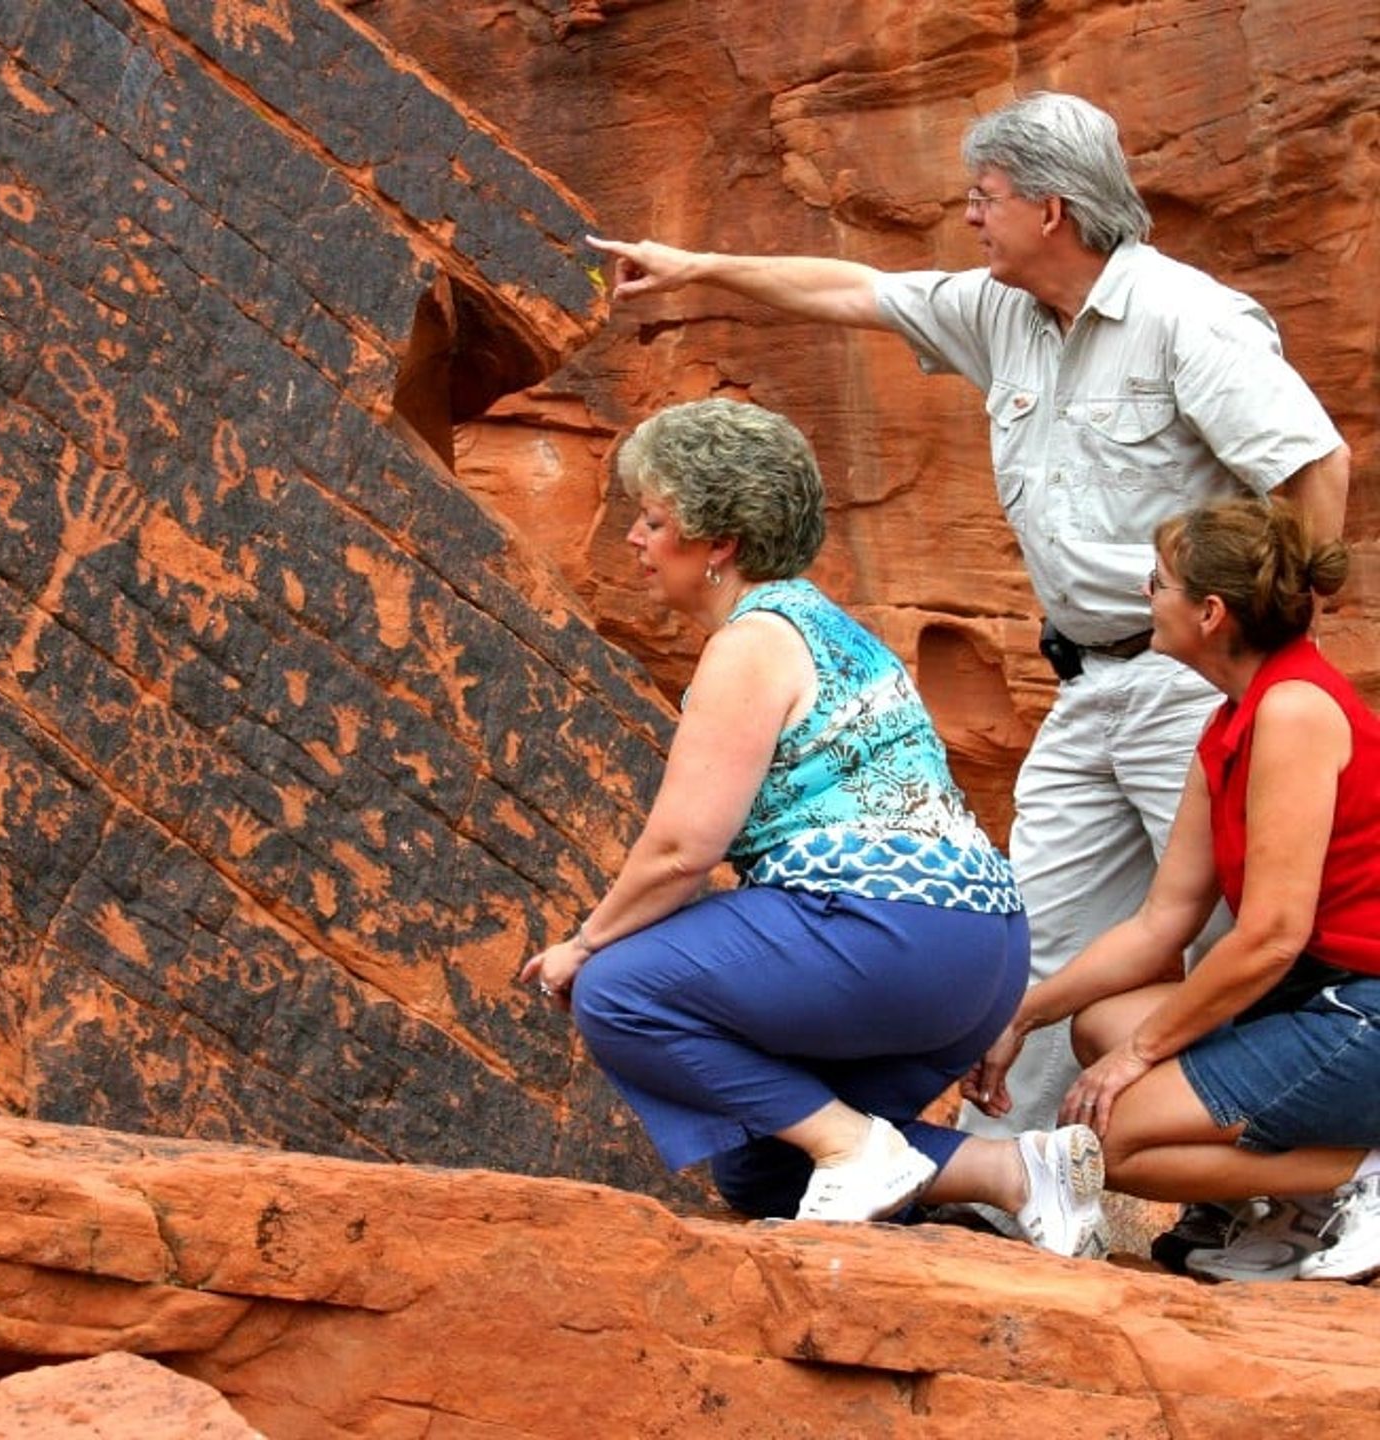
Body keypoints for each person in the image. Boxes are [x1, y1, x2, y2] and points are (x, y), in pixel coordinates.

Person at [587, 90, 1349, 1260]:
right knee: (1035, 935)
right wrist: (697, 268)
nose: (969, 218)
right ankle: (1034, 1188)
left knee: (1256, 928)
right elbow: (853, 291)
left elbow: (1312, 462)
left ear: (1050, 207)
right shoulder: (1005, 313)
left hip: (1198, 672)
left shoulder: (1186, 319)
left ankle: (1296, 1185)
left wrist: (1280, 630)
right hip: (1086, 681)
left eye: (984, 199)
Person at [520, 397, 1106, 1258]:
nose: (637, 542)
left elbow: (686, 848)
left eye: (654, 521)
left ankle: (852, 1146)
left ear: (718, 542)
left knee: (619, 991)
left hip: (892, 936)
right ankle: (1019, 1172)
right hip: (980, 957)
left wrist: (587, 942)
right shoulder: (831, 627)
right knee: (762, 1168)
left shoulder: (753, 641)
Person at [966, 496, 1380, 1283]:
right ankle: (1307, 1203)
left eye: (1158, 583)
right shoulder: (1232, 719)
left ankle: (1359, 1168)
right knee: (1099, 1025)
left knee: (1106, 1140)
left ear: (1211, 612)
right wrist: (1022, 1015)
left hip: (1365, 1012)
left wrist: (1137, 1059)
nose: (1144, 597)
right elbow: (1162, 924)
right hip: (1320, 1003)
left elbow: (1270, 936)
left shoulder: (1293, 710)